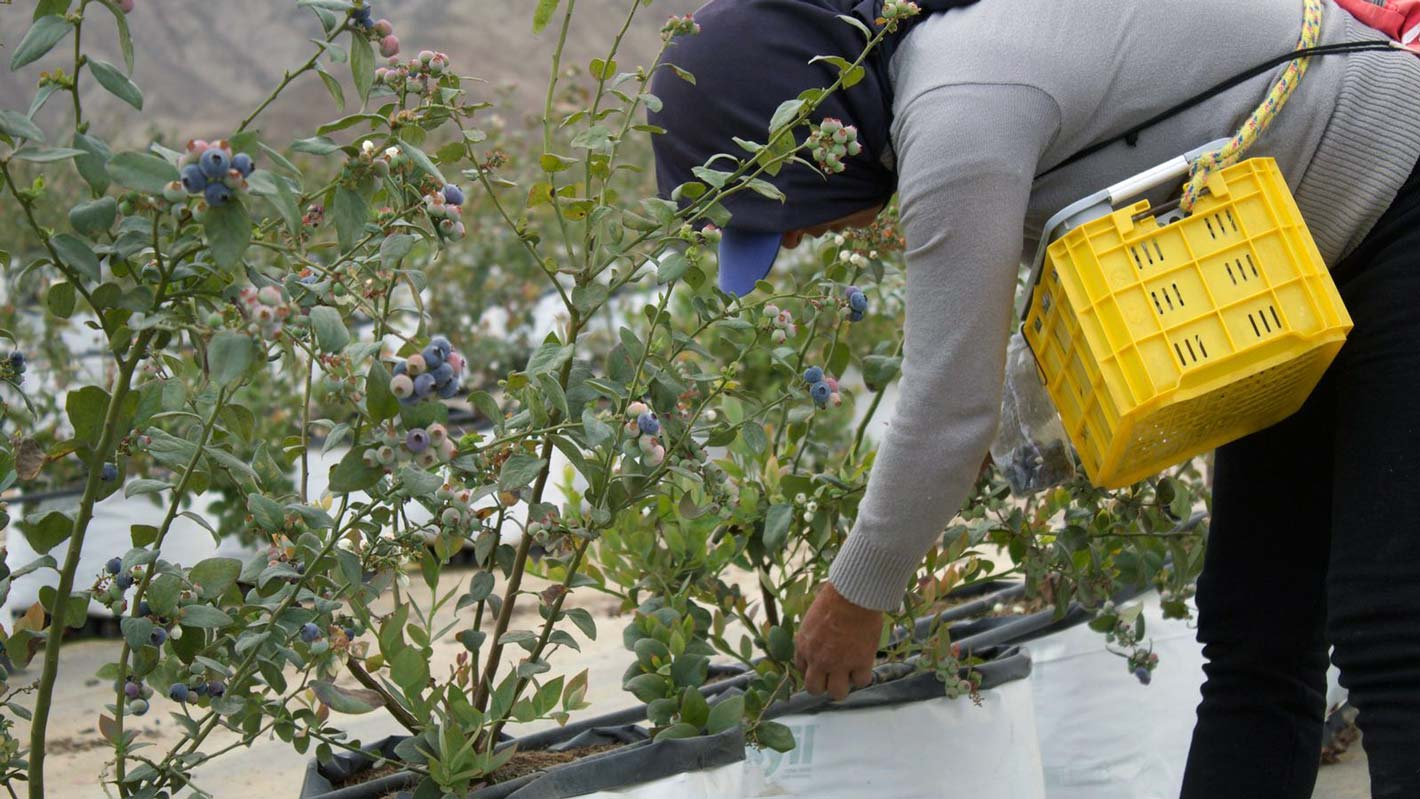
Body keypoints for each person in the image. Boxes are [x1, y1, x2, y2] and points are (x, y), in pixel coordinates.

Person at [649, 0, 1420, 796]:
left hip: (1396, 205)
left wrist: (857, 594)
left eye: (780, 216)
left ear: (812, 141)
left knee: (1391, 628)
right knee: (1256, 632)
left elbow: (946, 411)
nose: (793, 241)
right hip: (1291, 274)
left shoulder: (955, 108)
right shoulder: (946, 82)